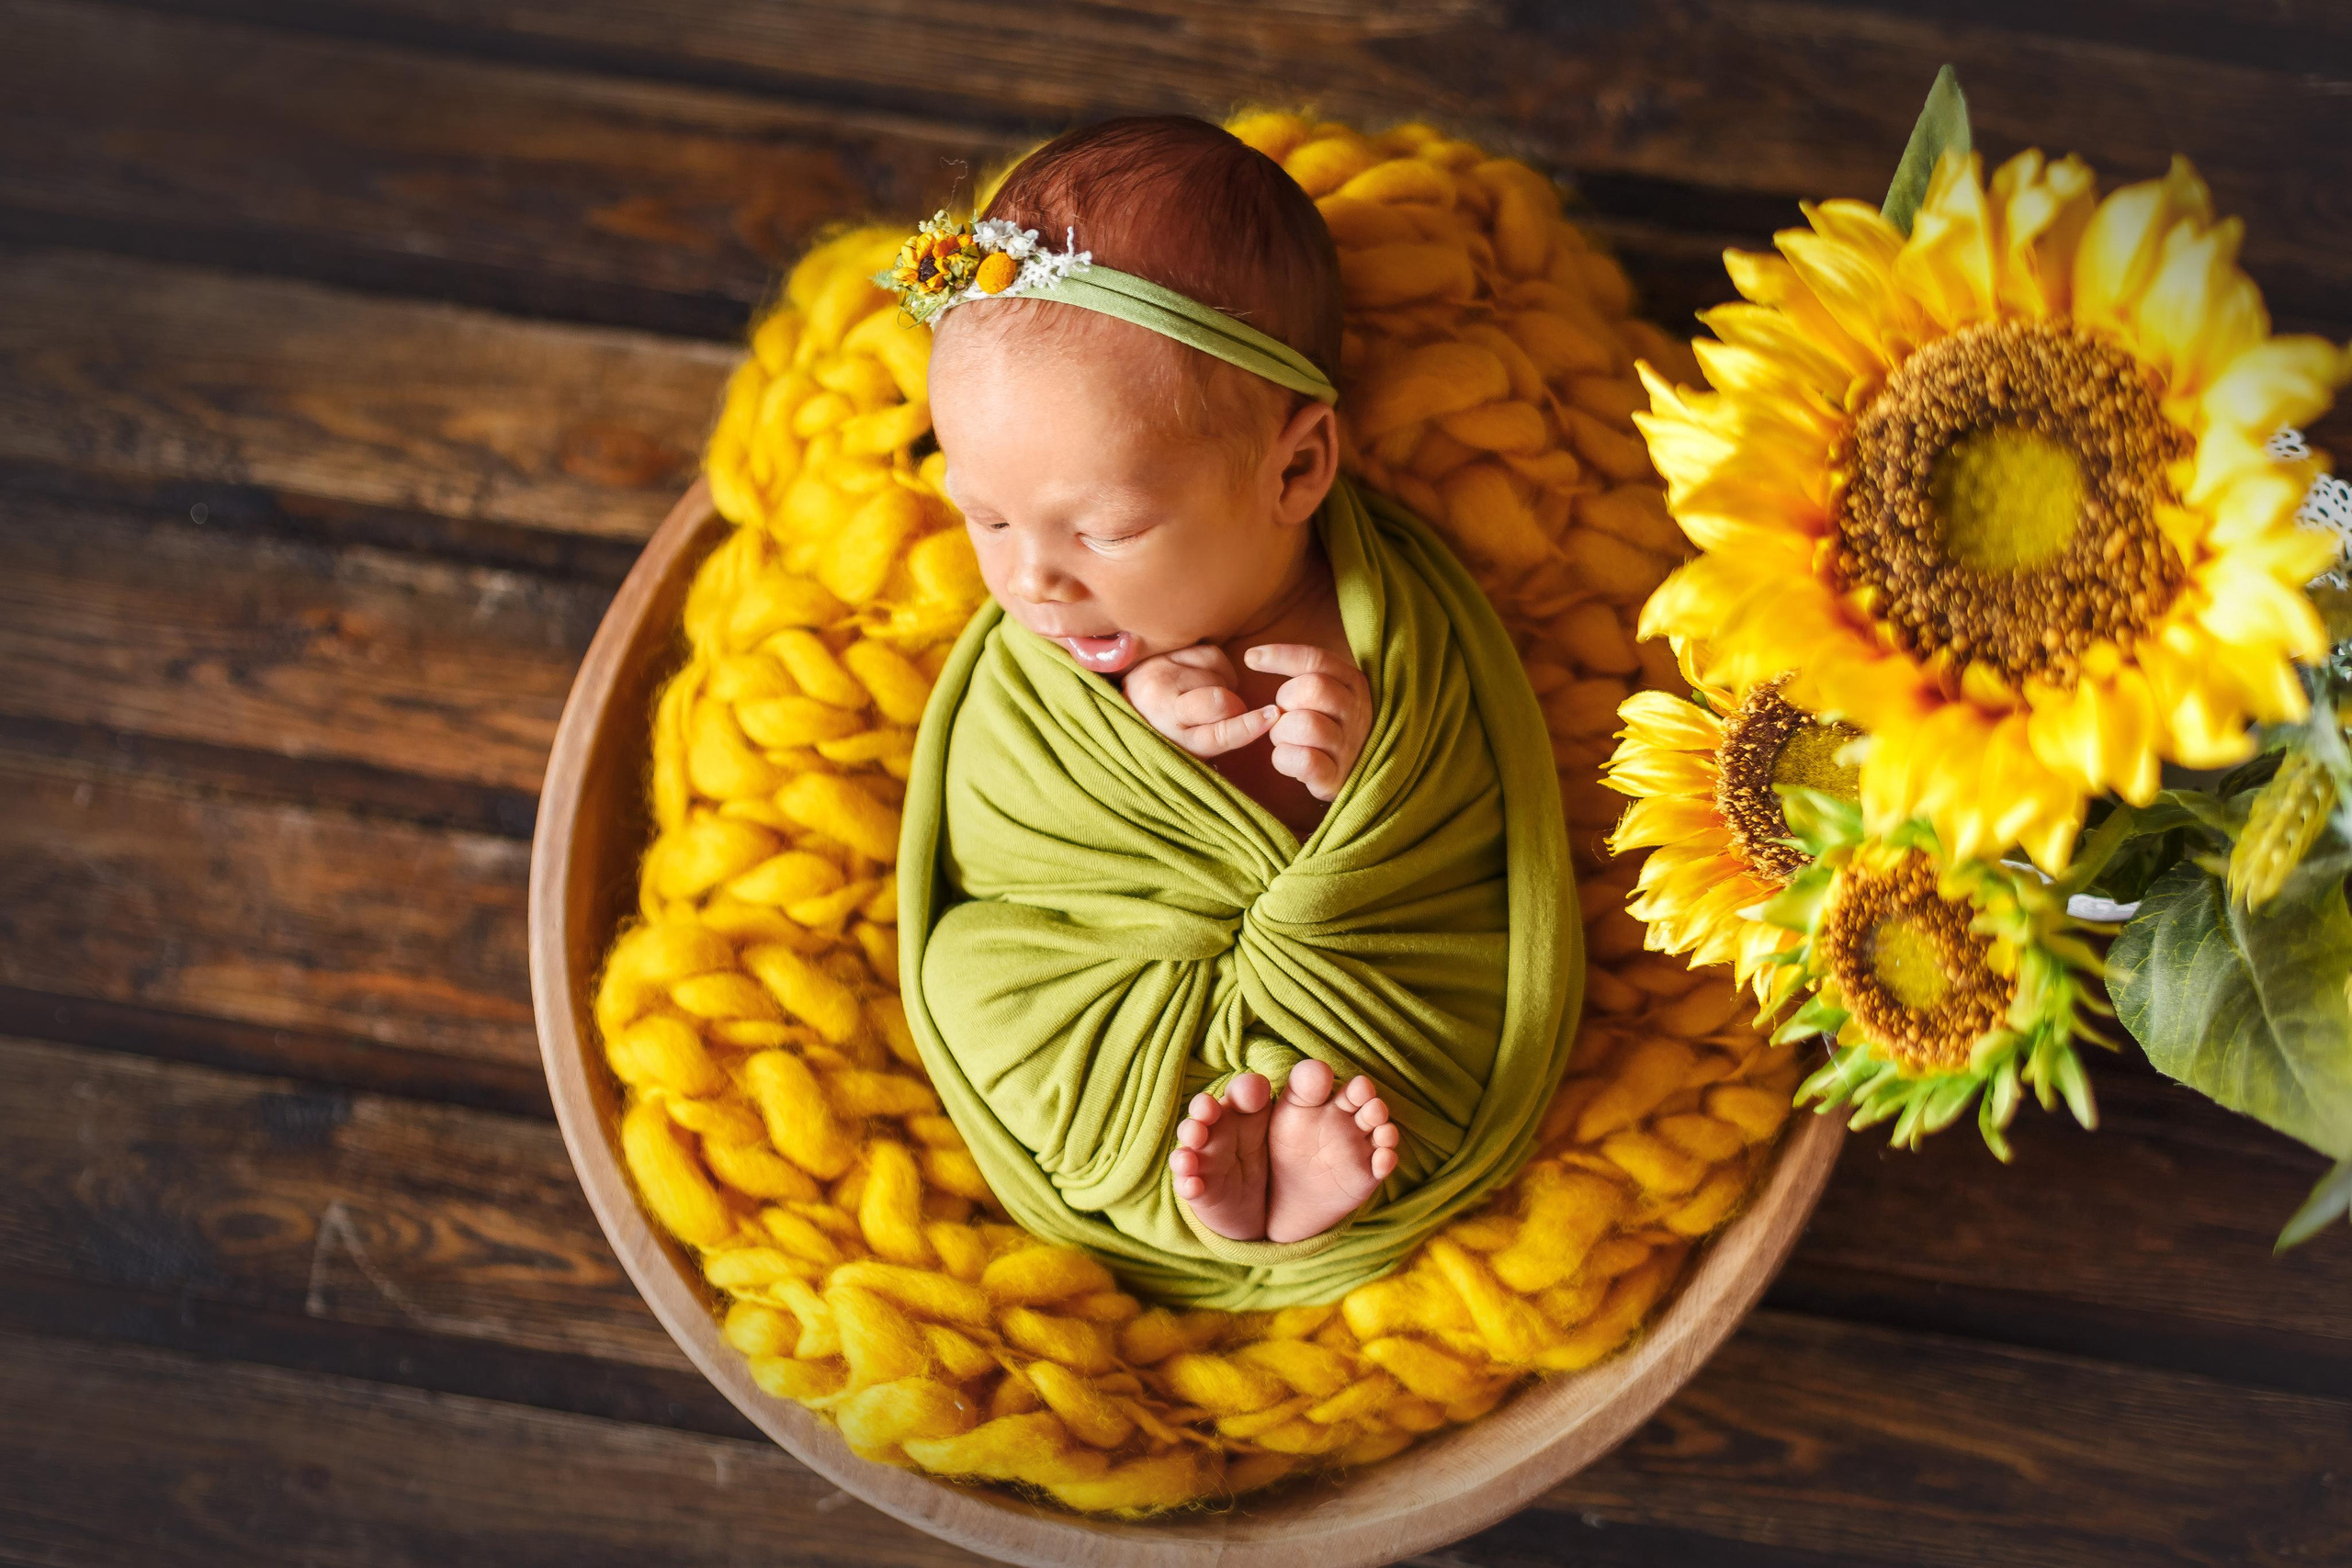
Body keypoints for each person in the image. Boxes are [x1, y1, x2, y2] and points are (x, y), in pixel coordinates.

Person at [893, 115, 1580, 1306]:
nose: (1030, 583)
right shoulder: (1046, 643)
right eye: (985, 518)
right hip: (1099, 959)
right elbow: (1004, 839)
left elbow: (1472, 825)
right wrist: (1136, 720)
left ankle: (1290, 1172)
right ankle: (1215, 1176)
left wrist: (1360, 776)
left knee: (1457, 1008)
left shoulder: (1388, 626)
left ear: (1298, 471)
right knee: (968, 979)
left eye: (1101, 530)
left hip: (1351, 958)